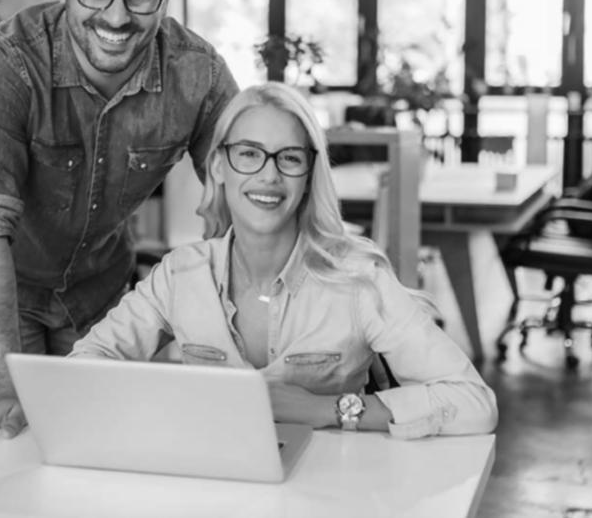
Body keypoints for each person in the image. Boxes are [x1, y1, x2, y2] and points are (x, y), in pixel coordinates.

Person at [0, 0, 240, 440]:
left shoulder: (197, 74)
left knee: (101, 446)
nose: (116, 17)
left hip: (99, 287)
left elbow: (245, 189)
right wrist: (5, 385)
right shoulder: (5, 64)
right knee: (15, 447)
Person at [71, 83, 498, 438]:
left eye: (289, 158)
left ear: (310, 175)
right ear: (219, 166)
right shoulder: (180, 275)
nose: (269, 175)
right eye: (249, 153)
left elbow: (474, 402)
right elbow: (84, 368)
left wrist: (329, 409)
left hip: (328, 494)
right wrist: (175, 400)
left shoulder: (358, 281)